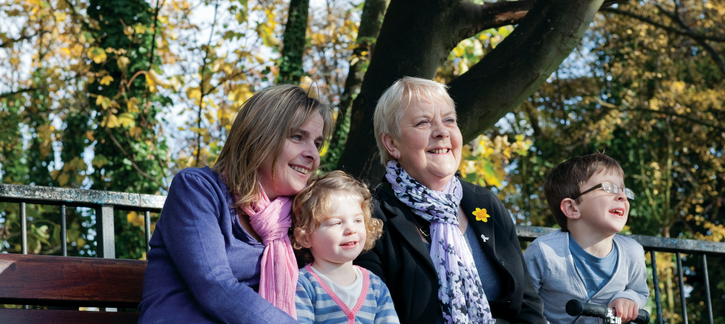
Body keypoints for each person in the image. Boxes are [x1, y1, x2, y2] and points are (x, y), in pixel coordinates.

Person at [354, 76, 546, 324]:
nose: (442, 132)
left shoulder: (485, 203)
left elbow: (527, 304)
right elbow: (369, 314)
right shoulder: (370, 215)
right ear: (392, 143)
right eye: (423, 122)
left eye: (449, 120)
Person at [139, 84, 333, 324]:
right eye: (297, 137)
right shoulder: (197, 190)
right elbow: (215, 287)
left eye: (317, 143)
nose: (313, 154)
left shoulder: (300, 218)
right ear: (259, 136)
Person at [523, 153, 649, 324]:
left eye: (624, 190)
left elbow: (640, 291)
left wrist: (628, 298)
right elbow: (523, 303)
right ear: (572, 208)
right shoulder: (544, 252)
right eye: (608, 188)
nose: (623, 196)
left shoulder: (632, 252)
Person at [291, 171, 399, 324]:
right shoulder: (303, 285)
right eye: (336, 223)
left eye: (357, 220)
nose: (351, 229)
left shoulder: (376, 287)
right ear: (304, 236)